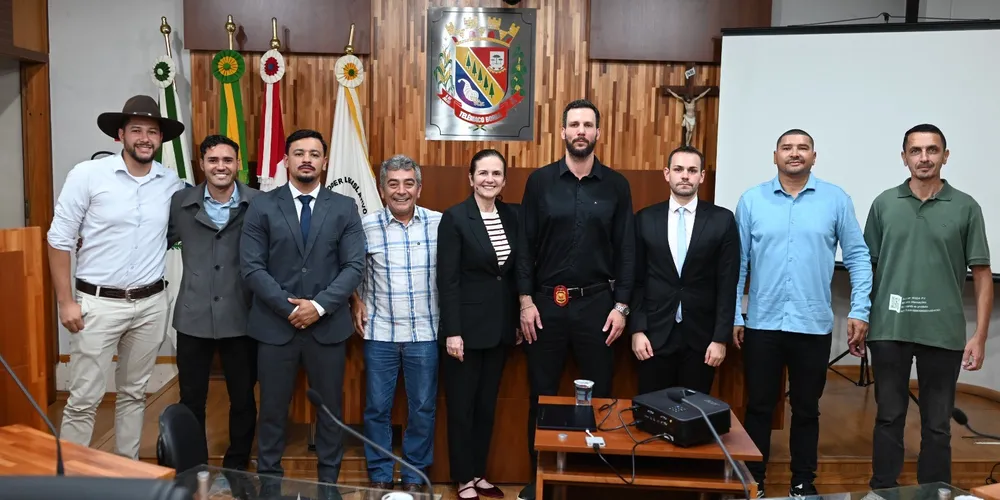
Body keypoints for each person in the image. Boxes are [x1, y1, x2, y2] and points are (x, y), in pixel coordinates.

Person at [733, 129, 872, 497]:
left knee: (807, 409)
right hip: (762, 323)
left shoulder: (836, 200)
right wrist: (735, 313)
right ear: (775, 155)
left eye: (803, 148)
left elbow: (858, 256)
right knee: (760, 407)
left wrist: (860, 308)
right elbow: (738, 265)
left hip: (812, 325)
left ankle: (802, 483)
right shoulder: (751, 201)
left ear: (814, 155)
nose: (795, 154)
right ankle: (754, 481)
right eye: (787, 148)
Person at [47, 95, 185, 459]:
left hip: (152, 303)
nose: (144, 138)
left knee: (134, 393)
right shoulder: (88, 175)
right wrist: (65, 302)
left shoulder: (171, 183)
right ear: (119, 135)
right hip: (97, 305)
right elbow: (59, 240)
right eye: (136, 130)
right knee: (83, 399)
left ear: (161, 139)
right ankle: (70, 478)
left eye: (152, 132)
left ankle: (128, 472)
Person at [516, 99, 635, 500]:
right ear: (563, 133)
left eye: (588, 125)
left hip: (598, 307)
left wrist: (621, 307)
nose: (581, 131)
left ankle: (592, 479)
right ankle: (540, 479)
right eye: (574, 124)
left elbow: (627, 251)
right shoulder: (540, 182)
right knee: (543, 393)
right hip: (546, 306)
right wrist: (525, 302)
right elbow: (525, 247)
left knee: (600, 398)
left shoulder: (617, 185)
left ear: (598, 133)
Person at [863, 124, 992, 489]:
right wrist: (861, 317)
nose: (924, 158)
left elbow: (982, 274)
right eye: (916, 151)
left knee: (937, 425)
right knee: (888, 417)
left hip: (943, 333)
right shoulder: (884, 203)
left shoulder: (966, 206)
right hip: (889, 329)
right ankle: (882, 492)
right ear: (904, 157)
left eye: (932, 150)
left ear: (945, 156)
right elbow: (866, 268)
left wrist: (980, 335)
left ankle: (935, 494)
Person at [240, 129, 365, 493]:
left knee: (329, 413)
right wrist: (290, 309)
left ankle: (329, 484)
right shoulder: (262, 205)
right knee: (274, 412)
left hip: (328, 328)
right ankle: (269, 484)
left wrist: (320, 306)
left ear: (325, 162)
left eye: (314, 153)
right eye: (299, 153)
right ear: (287, 161)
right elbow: (251, 268)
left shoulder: (344, 207)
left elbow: (354, 266)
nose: (306, 159)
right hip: (274, 327)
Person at [350, 155, 442, 495]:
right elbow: (351, 272)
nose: (401, 191)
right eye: (393, 183)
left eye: (408, 183)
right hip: (380, 334)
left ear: (419, 188)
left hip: (425, 334)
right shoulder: (364, 226)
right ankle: (380, 474)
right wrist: (354, 300)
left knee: (422, 408)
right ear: (381, 188)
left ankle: (415, 477)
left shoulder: (439, 224)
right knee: (377, 408)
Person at [167, 135, 260, 470]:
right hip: (193, 316)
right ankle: (192, 466)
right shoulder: (179, 203)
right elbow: (153, 241)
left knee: (243, 397)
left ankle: (237, 465)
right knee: (192, 398)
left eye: (228, 160)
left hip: (243, 316)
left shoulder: (259, 202)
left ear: (238, 164)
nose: (221, 167)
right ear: (202, 164)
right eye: (213, 160)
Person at [437, 149, 519, 500]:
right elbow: (448, 280)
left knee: (487, 406)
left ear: (504, 180)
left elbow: (513, 275)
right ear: (470, 178)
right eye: (482, 173)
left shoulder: (512, 217)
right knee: (461, 407)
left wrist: (515, 320)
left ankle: (480, 472)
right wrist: (453, 331)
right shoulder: (455, 218)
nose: (489, 179)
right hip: (465, 332)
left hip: (499, 329)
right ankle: (463, 478)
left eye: (496, 173)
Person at [630, 145, 740, 396]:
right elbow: (636, 280)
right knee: (652, 413)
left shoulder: (722, 220)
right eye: (679, 169)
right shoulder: (645, 218)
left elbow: (727, 284)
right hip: (654, 337)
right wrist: (637, 330)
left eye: (692, 170)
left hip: (702, 339)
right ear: (667, 174)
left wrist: (720, 338)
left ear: (702, 176)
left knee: (694, 417)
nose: (685, 176)